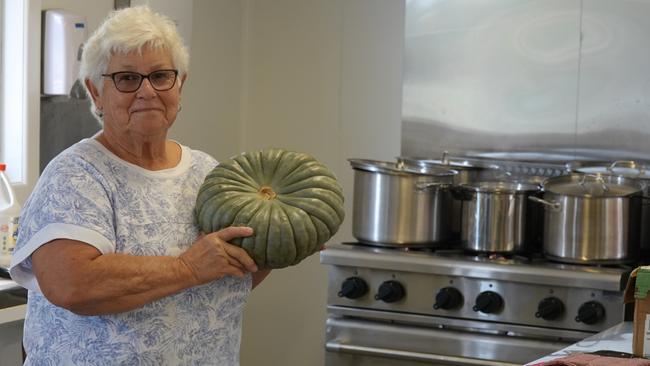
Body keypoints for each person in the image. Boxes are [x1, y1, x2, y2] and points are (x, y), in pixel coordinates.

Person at [10, 6, 270, 365]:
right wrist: (186, 268)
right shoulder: (76, 175)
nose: (147, 91)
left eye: (161, 75)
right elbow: (71, 283)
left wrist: (274, 247)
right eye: (127, 78)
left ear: (180, 84)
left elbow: (224, 278)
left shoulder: (208, 173)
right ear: (96, 92)